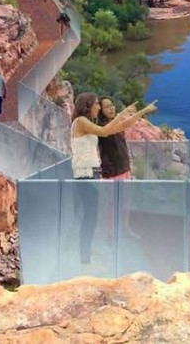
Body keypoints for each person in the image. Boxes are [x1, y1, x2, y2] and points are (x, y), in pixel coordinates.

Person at [71, 93, 157, 264]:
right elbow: (105, 131)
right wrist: (124, 111)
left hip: (91, 173)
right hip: (84, 174)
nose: (97, 107)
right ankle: (85, 258)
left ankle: (87, 253)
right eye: (96, 104)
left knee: (92, 215)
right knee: (90, 216)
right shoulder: (81, 121)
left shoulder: (86, 123)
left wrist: (137, 113)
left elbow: (118, 127)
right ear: (87, 105)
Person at [97, 96, 138, 239]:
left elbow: (127, 124)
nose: (111, 108)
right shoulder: (102, 126)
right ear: (101, 110)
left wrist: (143, 110)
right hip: (112, 171)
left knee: (126, 201)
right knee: (112, 203)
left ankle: (125, 229)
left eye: (112, 105)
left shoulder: (116, 124)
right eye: (107, 106)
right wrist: (126, 112)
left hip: (124, 168)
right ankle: (110, 234)